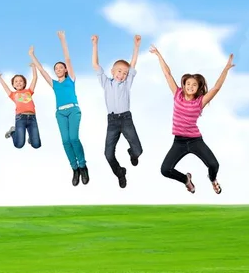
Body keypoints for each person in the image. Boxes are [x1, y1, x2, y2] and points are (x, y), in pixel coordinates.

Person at [150, 45, 235, 194]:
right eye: (188, 84)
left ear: (198, 88)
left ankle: (213, 179)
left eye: (194, 85)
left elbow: (216, 88)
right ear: (183, 85)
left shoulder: (200, 102)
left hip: (195, 141)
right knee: (165, 170)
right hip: (179, 142)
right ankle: (186, 180)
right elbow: (167, 74)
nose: (190, 86)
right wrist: (158, 55)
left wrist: (226, 69)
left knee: (214, 165)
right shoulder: (177, 94)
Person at [30, 31, 88, 186]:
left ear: (66, 70)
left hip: (73, 110)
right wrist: (32, 55)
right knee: (65, 141)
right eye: (56, 68)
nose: (58, 69)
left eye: (61, 67)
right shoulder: (54, 84)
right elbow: (41, 70)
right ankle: (74, 168)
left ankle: (83, 166)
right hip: (60, 113)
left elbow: (67, 59)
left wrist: (63, 40)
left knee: (74, 138)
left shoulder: (71, 79)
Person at [92, 34, 142, 188]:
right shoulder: (106, 83)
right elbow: (95, 65)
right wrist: (95, 44)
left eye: (125, 73)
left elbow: (133, 64)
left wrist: (136, 46)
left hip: (126, 119)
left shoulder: (127, 84)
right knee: (108, 154)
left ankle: (132, 153)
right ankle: (120, 173)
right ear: (112, 71)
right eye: (119, 71)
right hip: (112, 121)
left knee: (138, 151)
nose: (122, 75)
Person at [0, 59, 41, 150]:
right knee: (19, 145)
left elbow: (35, 78)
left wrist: (33, 67)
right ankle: (13, 131)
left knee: (37, 145)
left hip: (32, 118)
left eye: (21, 81)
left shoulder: (29, 91)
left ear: (24, 83)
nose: (18, 82)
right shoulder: (13, 94)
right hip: (20, 118)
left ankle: (32, 138)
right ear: (13, 85)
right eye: (16, 81)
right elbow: (5, 87)